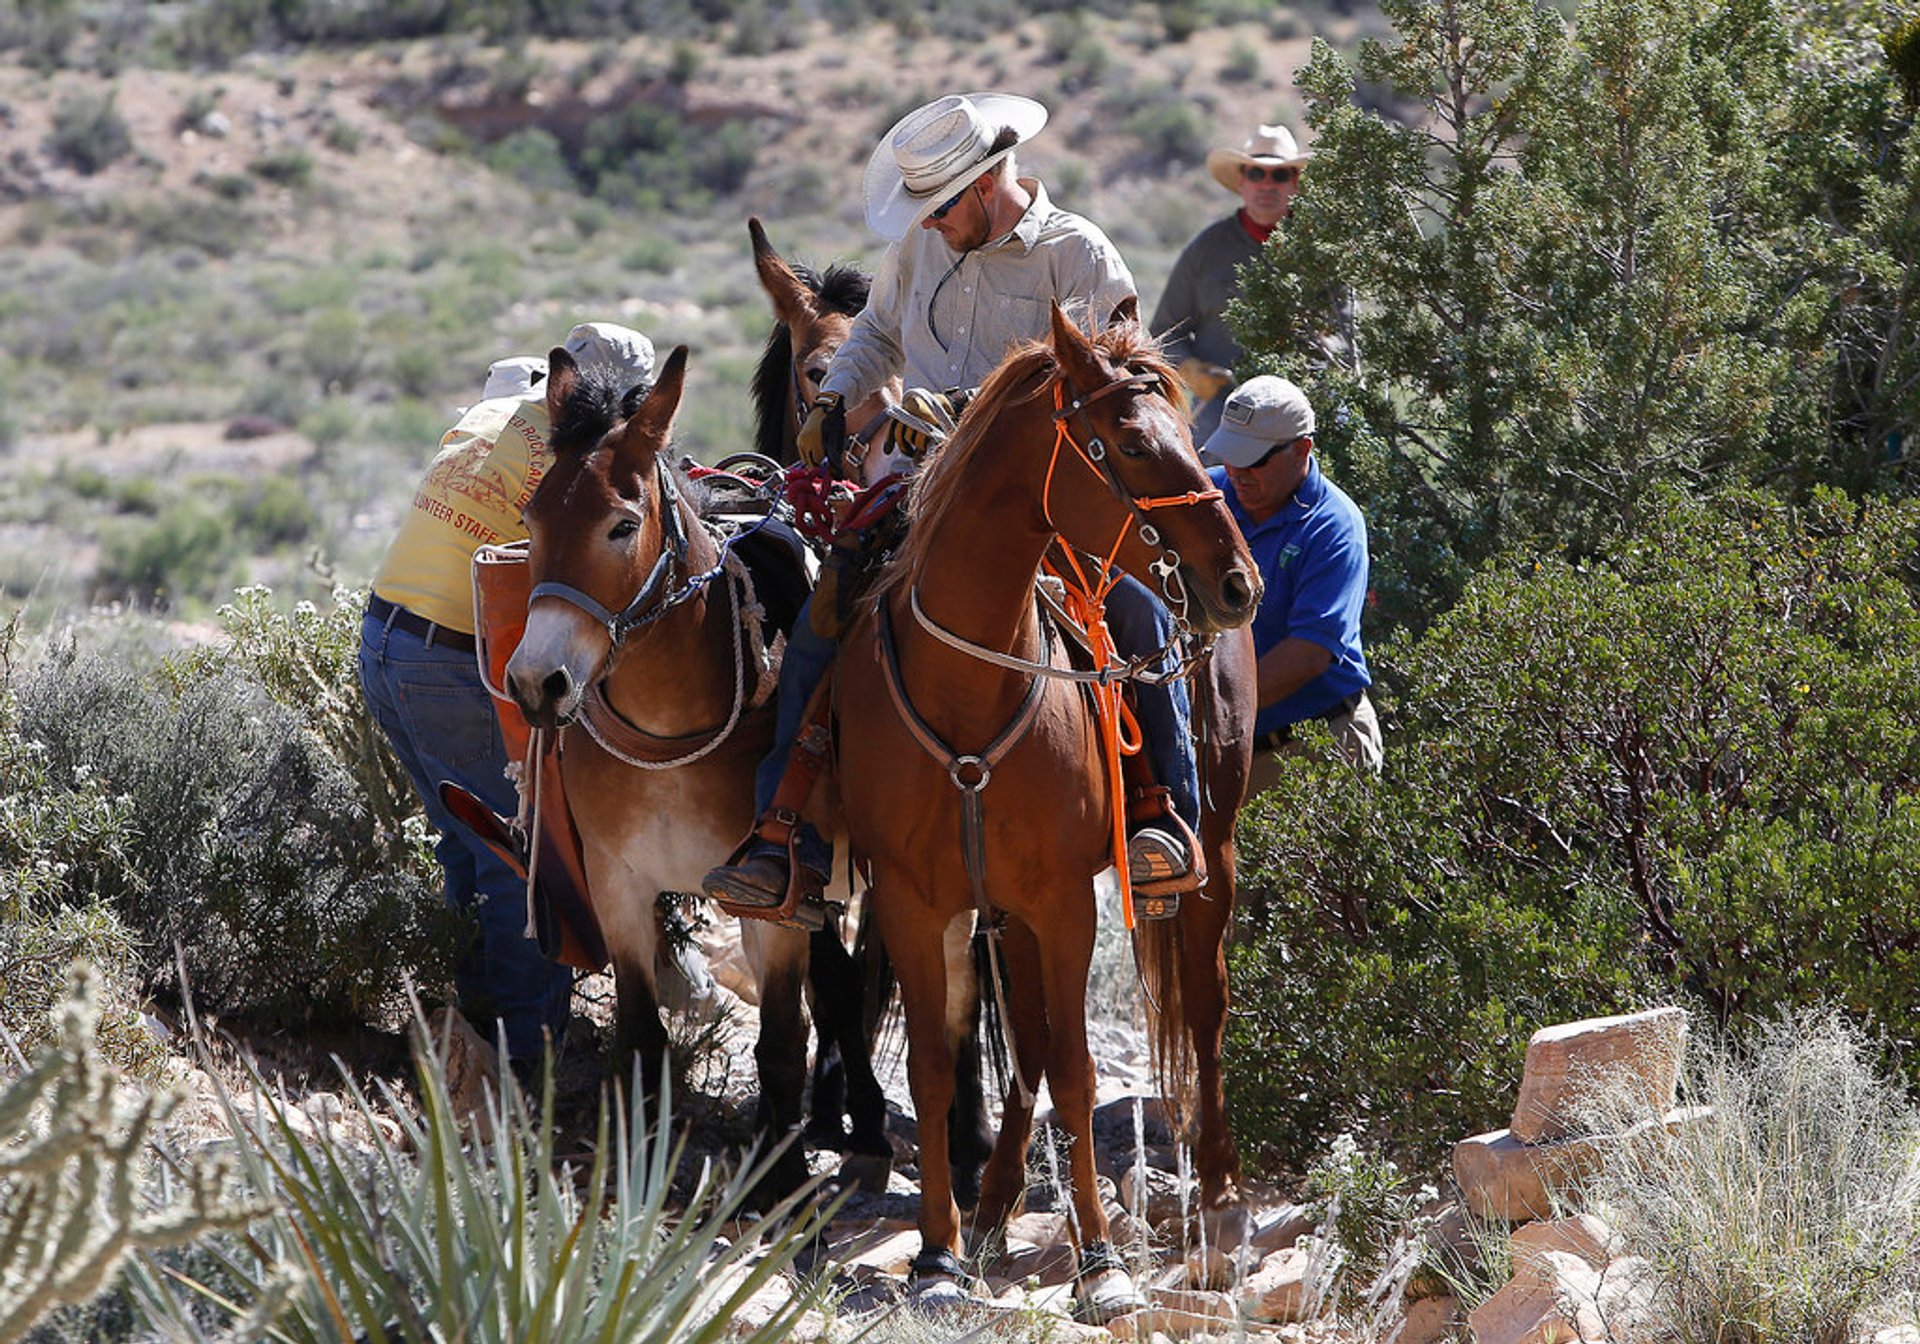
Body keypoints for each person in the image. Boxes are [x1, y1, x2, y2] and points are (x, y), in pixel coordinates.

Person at [702, 91, 1203, 916]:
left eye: (938, 209)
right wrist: (833, 399)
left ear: (986, 184)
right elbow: (875, 335)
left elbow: (1121, 378)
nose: (927, 225)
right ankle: (785, 834)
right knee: (827, 618)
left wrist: (970, 407)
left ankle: (1163, 816)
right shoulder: (916, 251)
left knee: (1135, 605)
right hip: (920, 480)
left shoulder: (1078, 254)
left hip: (1052, 485)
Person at [358, 322, 655, 1066]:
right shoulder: (579, 458)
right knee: (521, 860)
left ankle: (476, 1028)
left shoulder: (491, 414)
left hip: (384, 642)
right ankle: (528, 1063)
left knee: (466, 841)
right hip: (452, 660)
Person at [1201, 375, 1382, 788]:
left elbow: (1309, 654)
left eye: (1255, 459)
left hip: (1318, 747)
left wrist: (1210, 710)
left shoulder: (1335, 527)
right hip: (1224, 738)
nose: (1238, 471)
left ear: (1302, 449)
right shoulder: (1205, 497)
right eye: (1231, 454)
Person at [1152, 124, 1354, 444]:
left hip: (1305, 406)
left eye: (1280, 175)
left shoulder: (1321, 252)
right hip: (1221, 409)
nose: (1267, 185)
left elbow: (1346, 336)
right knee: (1207, 483)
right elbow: (1163, 335)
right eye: (1257, 174)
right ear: (1241, 181)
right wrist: (1191, 371)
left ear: (1295, 183)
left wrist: (1325, 357)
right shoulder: (1206, 248)